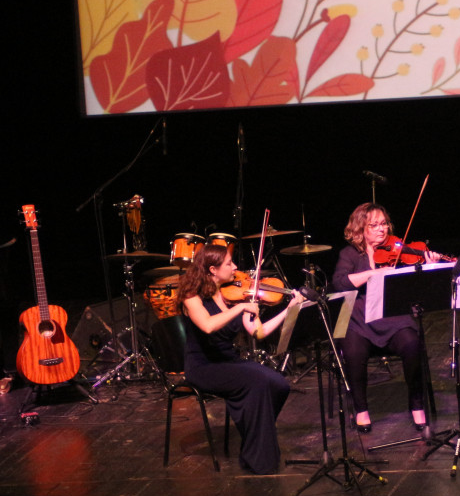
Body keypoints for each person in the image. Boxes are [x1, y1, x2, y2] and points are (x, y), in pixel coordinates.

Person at [177, 244, 304, 474]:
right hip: (204, 367)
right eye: (229, 264)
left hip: (229, 362)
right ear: (213, 270)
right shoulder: (191, 297)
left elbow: (259, 332)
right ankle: (258, 458)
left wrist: (291, 309)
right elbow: (207, 326)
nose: (235, 267)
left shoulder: (231, 295)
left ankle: (254, 440)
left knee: (279, 385)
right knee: (257, 381)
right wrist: (240, 308)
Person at [330, 203, 441, 433]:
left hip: (393, 318)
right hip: (359, 320)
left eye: (384, 224)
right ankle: (361, 409)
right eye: (374, 225)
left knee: (412, 344)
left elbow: (417, 287)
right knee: (353, 353)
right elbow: (339, 283)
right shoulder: (349, 254)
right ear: (360, 228)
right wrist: (372, 273)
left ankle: (416, 404)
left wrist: (428, 267)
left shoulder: (398, 251)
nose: (381, 229)